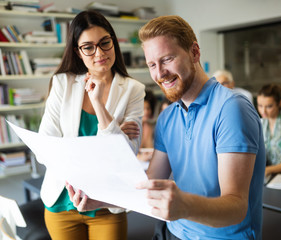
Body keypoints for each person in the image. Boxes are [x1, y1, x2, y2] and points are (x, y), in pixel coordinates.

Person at [128, 15, 265, 239]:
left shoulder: (231, 110)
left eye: (167, 59)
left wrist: (184, 206)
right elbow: (150, 185)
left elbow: (236, 207)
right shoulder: (167, 118)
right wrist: (100, 198)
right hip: (173, 232)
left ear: (194, 52)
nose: (159, 73)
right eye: (152, 64)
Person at [37, 10, 145, 240]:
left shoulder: (134, 90)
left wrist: (99, 105)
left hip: (108, 204)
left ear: (113, 41)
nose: (100, 53)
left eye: (105, 43)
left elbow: (127, 154)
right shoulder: (62, 83)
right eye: (88, 47)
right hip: (61, 202)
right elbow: (44, 149)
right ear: (78, 51)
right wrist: (114, 135)